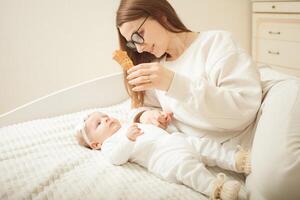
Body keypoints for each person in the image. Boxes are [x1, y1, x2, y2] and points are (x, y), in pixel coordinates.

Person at [116, 0, 262, 151]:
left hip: (232, 151)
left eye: (139, 34)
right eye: (133, 43)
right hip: (188, 153)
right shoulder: (159, 65)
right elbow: (139, 105)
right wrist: (145, 115)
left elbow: (242, 111)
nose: (139, 49)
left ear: (160, 15)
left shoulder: (216, 43)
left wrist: (173, 83)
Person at [75, 111, 251, 200]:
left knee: (203, 146)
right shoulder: (109, 144)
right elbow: (117, 158)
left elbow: (152, 130)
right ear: (95, 144)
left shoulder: (127, 124)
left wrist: (162, 122)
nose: (106, 119)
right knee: (187, 168)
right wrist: (128, 140)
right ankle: (217, 188)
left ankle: (235, 160)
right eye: (99, 123)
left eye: (105, 116)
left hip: (174, 140)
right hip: (161, 157)